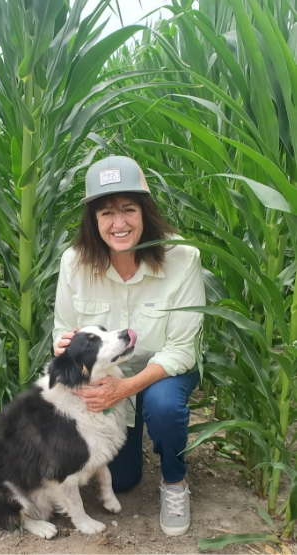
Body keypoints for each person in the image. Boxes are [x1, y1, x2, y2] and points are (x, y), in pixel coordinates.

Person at [53, 155, 206, 537]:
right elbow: (63, 332)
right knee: (121, 481)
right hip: (106, 380)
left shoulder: (183, 258)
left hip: (161, 373)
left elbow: (182, 348)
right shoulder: (74, 262)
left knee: (163, 404)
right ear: (93, 220)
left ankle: (174, 482)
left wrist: (126, 388)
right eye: (106, 213)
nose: (118, 223)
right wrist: (63, 346)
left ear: (146, 212)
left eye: (128, 209)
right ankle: (129, 441)